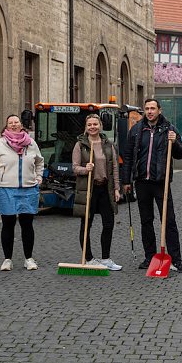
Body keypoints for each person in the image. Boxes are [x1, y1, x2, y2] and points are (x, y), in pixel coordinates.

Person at [121, 98, 182, 273]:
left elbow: (181, 154)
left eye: (153, 108)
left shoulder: (169, 129)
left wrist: (174, 143)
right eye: (147, 108)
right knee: (146, 221)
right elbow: (128, 156)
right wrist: (126, 181)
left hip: (161, 182)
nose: (150, 111)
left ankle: (176, 259)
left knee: (169, 220)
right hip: (142, 181)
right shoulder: (136, 130)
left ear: (159, 110)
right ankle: (149, 256)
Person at [0, 114, 44, 272]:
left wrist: (39, 177)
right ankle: (7, 259)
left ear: (21, 124)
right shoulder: (0, 144)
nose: (13, 125)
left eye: (16, 122)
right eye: (10, 123)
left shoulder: (30, 143)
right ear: (6, 126)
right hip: (6, 188)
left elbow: (39, 161)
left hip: (28, 188)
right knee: (8, 224)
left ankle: (28, 259)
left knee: (27, 224)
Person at [72, 114, 123, 271]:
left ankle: (106, 258)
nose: (92, 127)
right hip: (88, 189)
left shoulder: (108, 145)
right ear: (86, 127)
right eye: (89, 125)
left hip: (105, 188)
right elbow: (74, 168)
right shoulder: (80, 145)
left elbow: (114, 168)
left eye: (95, 124)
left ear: (100, 126)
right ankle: (88, 258)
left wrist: (116, 188)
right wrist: (84, 169)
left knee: (108, 223)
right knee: (86, 224)